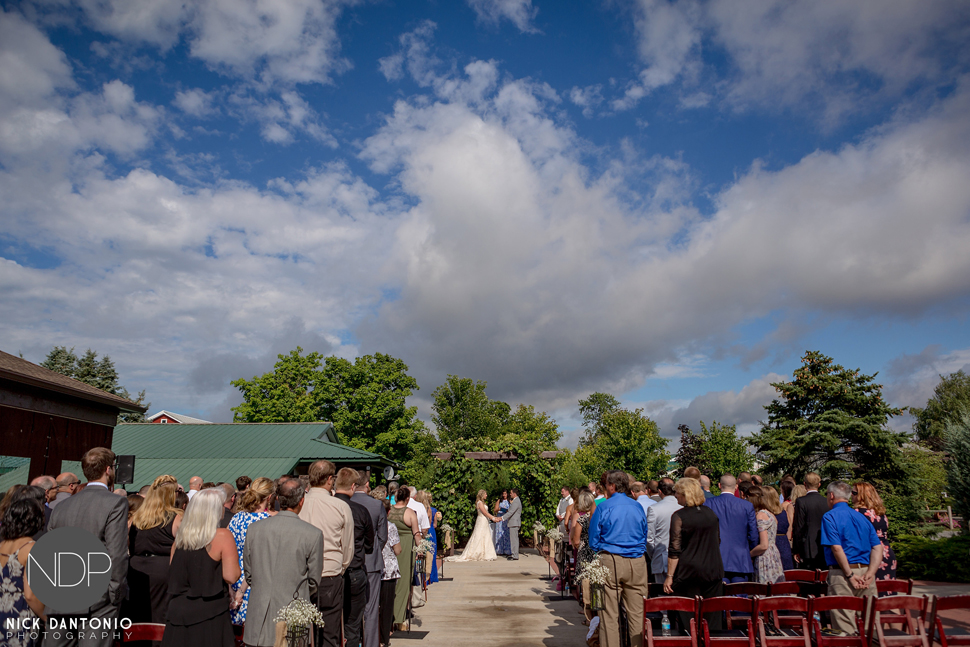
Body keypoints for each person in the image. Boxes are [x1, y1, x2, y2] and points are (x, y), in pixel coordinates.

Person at [44, 447, 128, 647]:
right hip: (98, 597)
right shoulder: (115, 503)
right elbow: (116, 553)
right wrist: (115, 594)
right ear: (108, 469)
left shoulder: (61, 506)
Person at [243, 479, 323, 647]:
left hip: (260, 616)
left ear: (278, 499)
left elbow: (249, 574)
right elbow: (313, 581)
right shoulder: (312, 534)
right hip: (292, 615)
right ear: (301, 501)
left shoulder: (254, 529)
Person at [161, 489, 238, 647]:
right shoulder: (223, 536)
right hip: (211, 612)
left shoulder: (179, 539)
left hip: (179, 612)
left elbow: (175, 573)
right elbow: (231, 576)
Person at [588, 471, 648, 647]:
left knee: (608, 613)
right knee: (637, 613)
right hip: (637, 561)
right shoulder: (637, 506)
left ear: (612, 486)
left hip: (610, 559)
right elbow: (644, 533)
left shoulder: (603, 507)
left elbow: (593, 540)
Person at [299, 460, 355, 647]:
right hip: (330, 572)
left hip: (302, 573)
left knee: (302, 631)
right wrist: (341, 567)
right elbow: (347, 546)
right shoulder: (340, 506)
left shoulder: (299, 504)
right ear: (330, 479)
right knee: (329, 630)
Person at [821, 481, 882, 635]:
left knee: (844, 627)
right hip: (866, 572)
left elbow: (836, 547)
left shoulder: (830, 516)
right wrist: (871, 573)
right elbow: (877, 547)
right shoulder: (861, 517)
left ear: (831, 495)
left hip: (842, 573)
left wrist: (849, 574)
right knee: (871, 625)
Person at [664, 478, 723, 632]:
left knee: (688, 617)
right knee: (712, 617)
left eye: (677, 493)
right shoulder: (710, 513)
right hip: (713, 568)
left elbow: (674, 549)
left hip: (689, 571)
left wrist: (670, 576)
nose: (675, 495)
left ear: (685, 494)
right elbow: (717, 540)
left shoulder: (679, 516)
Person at [126, 477, 183, 626]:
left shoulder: (137, 516)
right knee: (160, 616)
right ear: (171, 494)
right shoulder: (177, 517)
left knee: (137, 615)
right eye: (177, 491)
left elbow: (127, 541)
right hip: (163, 569)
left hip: (135, 568)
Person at [227, 477, 275, 627]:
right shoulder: (268, 522)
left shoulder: (236, 518)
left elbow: (226, 552)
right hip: (255, 583)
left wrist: (230, 588)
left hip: (235, 578)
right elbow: (257, 560)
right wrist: (241, 592)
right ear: (269, 497)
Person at [334, 468, 375, 647]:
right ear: (353, 486)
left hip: (330, 572)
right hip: (354, 569)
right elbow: (369, 545)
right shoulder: (360, 511)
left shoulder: (326, 508)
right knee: (352, 624)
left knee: (330, 623)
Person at [0, 498, 46, 647]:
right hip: (20, 614)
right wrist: (47, 619)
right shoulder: (31, 548)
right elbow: (30, 595)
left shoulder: (2, 545)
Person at [352, 471, 387, 647]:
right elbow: (383, 536)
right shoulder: (376, 504)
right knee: (371, 609)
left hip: (350, 560)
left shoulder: (346, 503)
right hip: (371, 560)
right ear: (367, 485)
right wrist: (372, 550)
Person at [704, 474, 758, 583]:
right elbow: (753, 534)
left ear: (719, 485)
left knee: (719, 593)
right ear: (736, 487)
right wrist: (751, 552)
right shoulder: (746, 506)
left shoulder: (708, 503)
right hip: (741, 559)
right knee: (740, 593)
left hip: (716, 558)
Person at [388, 485, 421, 630]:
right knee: (403, 584)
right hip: (406, 549)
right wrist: (421, 549)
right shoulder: (409, 513)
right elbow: (416, 534)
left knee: (390, 583)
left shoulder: (389, 511)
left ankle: (389, 617)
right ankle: (399, 619)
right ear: (407, 499)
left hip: (390, 548)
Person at [852, 482, 897, 581]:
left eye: (854, 493)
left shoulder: (856, 514)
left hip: (869, 555)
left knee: (868, 586)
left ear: (861, 496)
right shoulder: (881, 514)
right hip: (886, 553)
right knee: (886, 587)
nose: (851, 495)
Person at [447, 489, 501, 562]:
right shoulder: (480, 503)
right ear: (482, 495)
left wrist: (494, 518)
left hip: (485, 520)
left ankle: (485, 553)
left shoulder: (482, 502)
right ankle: (477, 553)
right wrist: (493, 518)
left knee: (485, 535)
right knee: (479, 535)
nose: (486, 495)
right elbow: (485, 513)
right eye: (485, 494)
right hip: (481, 520)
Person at [647, 479, 683, 583]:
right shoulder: (682, 506)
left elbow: (649, 538)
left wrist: (654, 554)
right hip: (681, 557)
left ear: (660, 491)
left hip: (661, 557)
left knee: (661, 591)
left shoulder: (654, 509)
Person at [747, 485, 785, 584]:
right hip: (774, 554)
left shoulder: (761, 515)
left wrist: (748, 554)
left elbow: (764, 545)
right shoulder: (770, 514)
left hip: (765, 557)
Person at [792, 472, 829, 571]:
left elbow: (799, 526)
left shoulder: (801, 501)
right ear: (819, 485)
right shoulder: (826, 501)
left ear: (805, 484)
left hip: (807, 546)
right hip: (824, 544)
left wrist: (796, 549)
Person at [378, 499, 402, 647]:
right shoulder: (390, 526)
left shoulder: (370, 525)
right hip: (388, 570)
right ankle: (384, 638)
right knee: (386, 607)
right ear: (388, 512)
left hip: (373, 569)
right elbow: (397, 549)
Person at [762, 485, 794, 570]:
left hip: (770, 547)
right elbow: (789, 532)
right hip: (785, 545)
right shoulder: (784, 512)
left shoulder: (763, 514)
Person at [423, 491, 441, 584]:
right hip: (431, 531)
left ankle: (424, 577)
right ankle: (432, 576)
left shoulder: (422, 509)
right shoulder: (433, 510)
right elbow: (435, 525)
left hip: (424, 531)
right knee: (432, 553)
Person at [503, 489, 523, 561]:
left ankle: (515, 555)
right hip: (514, 523)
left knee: (514, 540)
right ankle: (514, 554)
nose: (510, 494)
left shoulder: (516, 501)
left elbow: (511, 512)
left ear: (514, 494)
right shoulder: (515, 501)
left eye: (511, 493)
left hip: (514, 523)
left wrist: (502, 518)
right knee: (514, 539)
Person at [492, 490, 511, 556]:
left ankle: (507, 550)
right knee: (499, 533)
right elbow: (495, 509)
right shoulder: (499, 500)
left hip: (506, 518)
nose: (504, 495)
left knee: (506, 534)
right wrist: (500, 509)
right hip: (500, 518)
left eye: (505, 494)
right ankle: (499, 550)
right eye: (503, 494)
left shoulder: (509, 501)